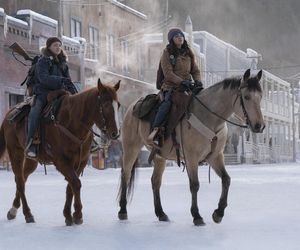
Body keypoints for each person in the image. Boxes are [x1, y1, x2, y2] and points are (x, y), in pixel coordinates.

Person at [147, 27, 203, 146]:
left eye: (181, 35)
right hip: (171, 87)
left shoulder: (189, 53)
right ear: (172, 39)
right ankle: (156, 131)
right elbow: (168, 73)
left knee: (202, 101)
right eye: (177, 36)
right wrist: (181, 82)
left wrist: (198, 81)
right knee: (166, 105)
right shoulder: (167, 53)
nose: (180, 37)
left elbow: (195, 70)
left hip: (188, 87)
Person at [24, 37, 77, 159]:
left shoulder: (63, 63)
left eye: (59, 45)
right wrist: (61, 80)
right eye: (55, 45)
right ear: (49, 47)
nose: (58, 47)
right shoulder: (43, 61)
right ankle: (31, 143)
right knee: (35, 111)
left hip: (61, 93)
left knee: (77, 108)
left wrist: (74, 94)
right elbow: (43, 79)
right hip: (43, 93)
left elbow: (68, 81)